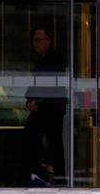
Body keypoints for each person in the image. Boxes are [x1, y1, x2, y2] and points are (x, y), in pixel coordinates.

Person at [23, 27, 67, 185]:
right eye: (34, 40)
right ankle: (39, 173)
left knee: (52, 142)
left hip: (51, 107)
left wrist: (36, 101)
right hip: (44, 106)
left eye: (38, 40)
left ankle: (53, 176)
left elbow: (50, 84)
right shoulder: (40, 60)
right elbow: (35, 84)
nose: (35, 43)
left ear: (48, 41)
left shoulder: (55, 59)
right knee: (35, 139)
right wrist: (30, 100)